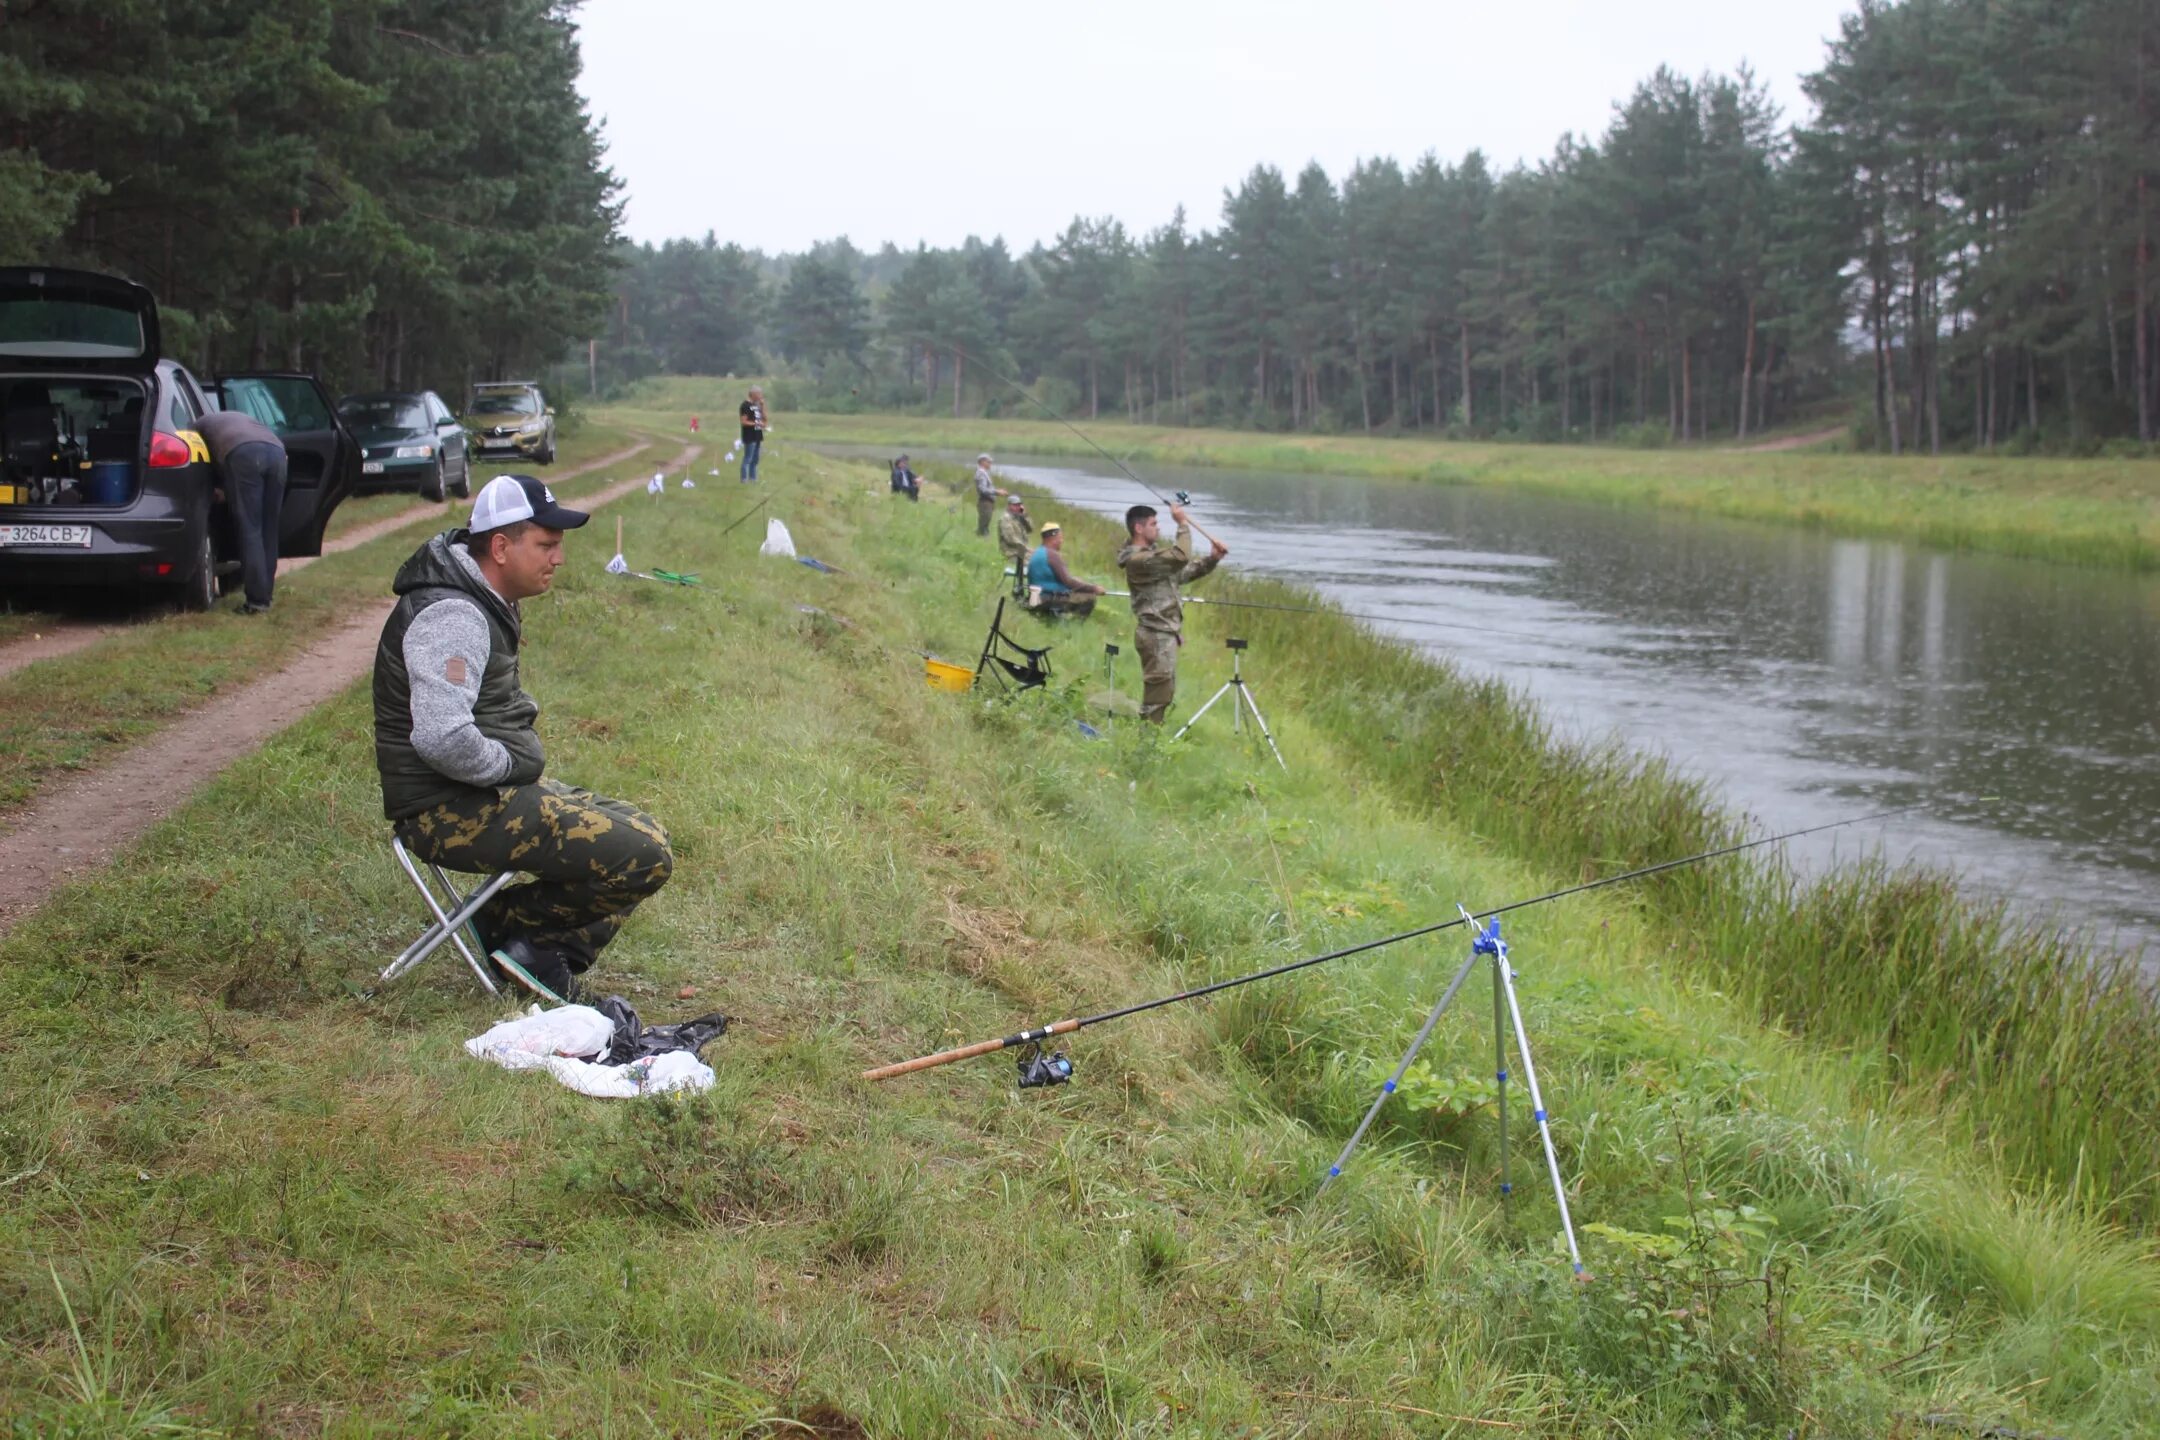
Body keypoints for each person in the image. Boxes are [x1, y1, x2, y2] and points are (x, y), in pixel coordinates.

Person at [373, 474, 675, 1003]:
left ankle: (524, 942)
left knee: (645, 830)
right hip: (444, 811)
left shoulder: (480, 596)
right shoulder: (454, 613)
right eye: (546, 545)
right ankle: (520, 937)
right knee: (643, 854)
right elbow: (442, 738)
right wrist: (510, 769)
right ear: (500, 547)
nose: (557, 559)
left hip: (473, 795)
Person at [1115, 502, 1228, 723]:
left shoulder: (1151, 557)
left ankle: (1151, 741)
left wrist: (1212, 559)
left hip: (1164, 633)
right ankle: (1147, 745)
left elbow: (1183, 573)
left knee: (1164, 693)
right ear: (1139, 528)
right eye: (1153, 524)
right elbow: (1180, 556)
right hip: (1154, 634)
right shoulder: (1138, 560)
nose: (1158, 528)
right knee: (1157, 697)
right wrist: (1182, 523)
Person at [194, 404, 288, 614]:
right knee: (268, 530)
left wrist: (216, 490)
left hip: (243, 453)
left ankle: (256, 602)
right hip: (278, 452)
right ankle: (265, 595)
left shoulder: (196, 428)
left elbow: (199, 467)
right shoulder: (240, 418)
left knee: (250, 529)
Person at [1025, 521, 1106, 617]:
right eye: (1060, 538)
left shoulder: (1039, 551)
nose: (1061, 541)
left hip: (1037, 596)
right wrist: (1093, 589)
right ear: (1053, 538)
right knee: (1089, 598)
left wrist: (1078, 581)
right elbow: (1068, 582)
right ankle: (1075, 625)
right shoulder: (1052, 555)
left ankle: (1052, 619)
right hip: (1046, 598)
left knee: (1079, 585)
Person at [996, 493, 1032, 590]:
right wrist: (1027, 549)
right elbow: (1010, 539)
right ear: (1009, 506)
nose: (1018, 507)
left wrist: (1024, 516)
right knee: (1035, 564)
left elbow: (1030, 529)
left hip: (1021, 551)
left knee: (1041, 558)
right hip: (1011, 553)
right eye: (1015, 505)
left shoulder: (1019, 517)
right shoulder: (1005, 519)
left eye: (1019, 505)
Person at [738, 386, 768, 482]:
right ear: (753, 394)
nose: (760, 396)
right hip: (749, 435)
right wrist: (756, 423)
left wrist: (762, 406)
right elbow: (744, 421)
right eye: (759, 394)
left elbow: (765, 418)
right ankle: (744, 478)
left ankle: (753, 478)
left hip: (758, 435)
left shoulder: (757, 405)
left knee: (755, 459)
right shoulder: (745, 406)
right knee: (748, 458)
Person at [972, 453, 1004, 536]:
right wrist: (997, 492)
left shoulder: (983, 472)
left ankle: (981, 540)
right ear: (982, 462)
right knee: (983, 527)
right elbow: (983, 489)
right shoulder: (981, 473)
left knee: (984, 525)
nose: (990, 464)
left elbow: (987, 488)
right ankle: (982, 542)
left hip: (987, 502)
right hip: (985, 503)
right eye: (988, 462)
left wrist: (998, 491)